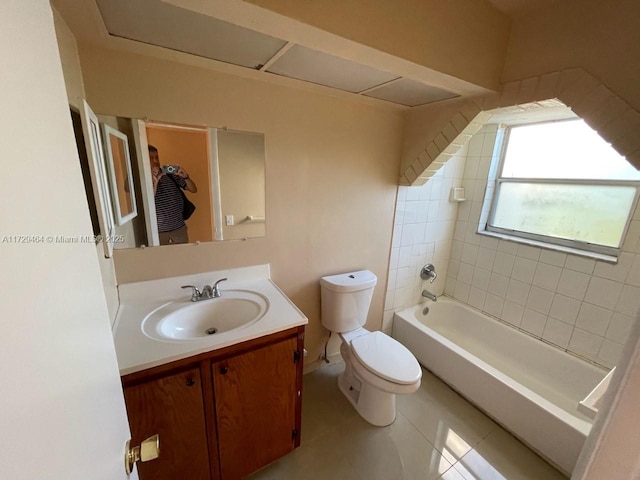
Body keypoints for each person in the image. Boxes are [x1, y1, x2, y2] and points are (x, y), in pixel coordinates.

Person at [148, 144, 197, 245]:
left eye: (156, 157)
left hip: (179, 228)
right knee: (162, 259)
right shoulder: (143, 178)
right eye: (151, 158)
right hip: (158, 232)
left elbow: (193, 189)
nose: (155, 161)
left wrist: (186, 177)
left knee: (182, 257)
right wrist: (155, 182)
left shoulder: (168, 171)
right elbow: (148, 201)